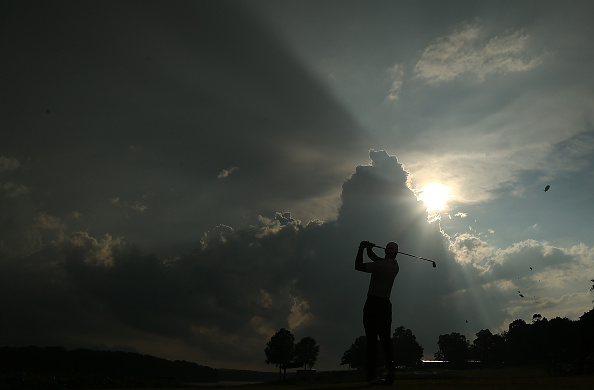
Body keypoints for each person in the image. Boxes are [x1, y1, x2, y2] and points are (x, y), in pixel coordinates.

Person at [355, 240, 399, 385]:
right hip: (386, 305)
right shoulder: (395, 266)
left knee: (372, 341)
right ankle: (391, 373)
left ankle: (371, 376)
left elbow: (358, 266)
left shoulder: (382, 265)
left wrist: (362, 248)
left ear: (386, 251)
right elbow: (377, 260)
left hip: (373, 304)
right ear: (396, 253)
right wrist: (369, 250)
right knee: (386, 340)